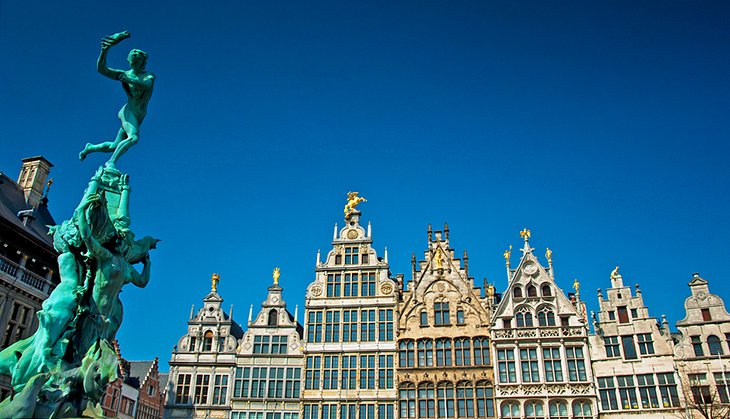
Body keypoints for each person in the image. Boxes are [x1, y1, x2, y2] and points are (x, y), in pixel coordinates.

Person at [79, 32, 155, 169]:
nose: (135, 58)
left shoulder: (148, 76)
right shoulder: (124, 74)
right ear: (130, 61)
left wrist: (129, 80)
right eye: (133, 57)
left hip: (139, 114)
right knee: (133, 137)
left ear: (142, 62)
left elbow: (147, 85)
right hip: (128, 111)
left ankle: (90, 148)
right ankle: (111, 162)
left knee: (115, 145)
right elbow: (102, 69)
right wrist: (105, 50)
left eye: (138, 58)